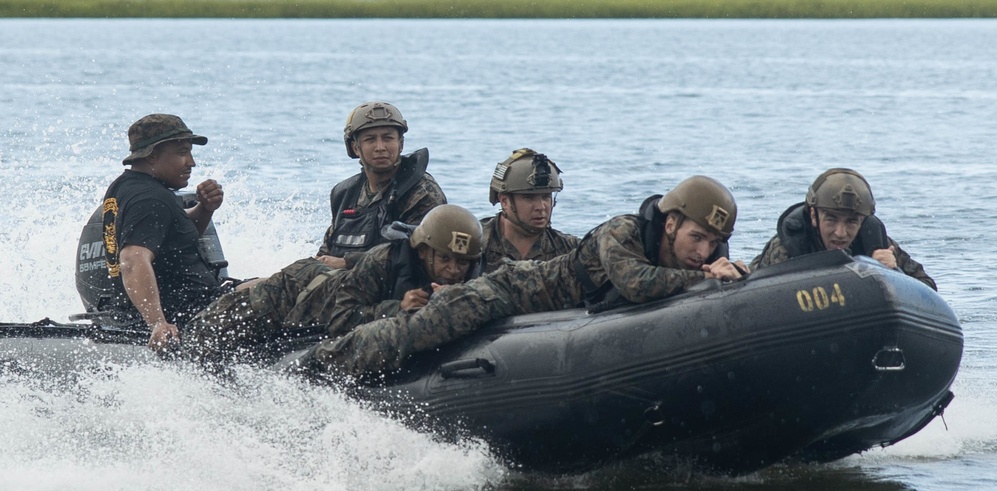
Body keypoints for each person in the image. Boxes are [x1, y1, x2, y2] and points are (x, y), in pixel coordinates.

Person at [289, 175, 746, 381]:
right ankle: (327, 361)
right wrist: (704, 280)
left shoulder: (700, 260)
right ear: (670, 224)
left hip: (564, 316)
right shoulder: (622, 231)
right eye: (697, 238)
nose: (704, 252)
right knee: (427, 325)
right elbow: (636, 285)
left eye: (712, 244)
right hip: (514, 290)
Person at [181, 204, 483, 361]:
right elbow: (342, 317)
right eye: (445, 260)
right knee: (209, 330)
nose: (454, 270)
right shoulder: (384, 261)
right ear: (424, 251)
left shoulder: (469, 271)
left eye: (462, 262)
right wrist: (395, 308)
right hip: (300, 290)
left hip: (324, 291)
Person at [100, 113, 231, 350]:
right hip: (193, 312)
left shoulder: (127, 186)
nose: (191, 162)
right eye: (182, 153)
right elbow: (132, 258)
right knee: (301, 281)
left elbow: (172, 236)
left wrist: (205, 208)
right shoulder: (150, 199)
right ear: (152, 155)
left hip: (186, 305)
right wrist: (158, 324)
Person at [748, 168, 936, 290]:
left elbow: (928, 289)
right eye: (831, 220)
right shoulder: (787, 247)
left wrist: (893, 272)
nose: (840, 233)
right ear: (813, 216)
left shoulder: (878, 245)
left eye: (851, 222)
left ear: (862, 221)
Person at [316, 101, 447, 270]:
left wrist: (347, 263)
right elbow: (326, 251)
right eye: (370, 140)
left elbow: (417, 255)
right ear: (356, 148)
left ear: (401, 144)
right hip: (341, 285)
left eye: (388, 138)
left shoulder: (422, 192)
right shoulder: (345, 194)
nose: (380, 147)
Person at [481, 148, 579, 271]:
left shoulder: (570, 250)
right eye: (529, 198)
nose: (541, 207)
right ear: (504, 201)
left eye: (546, 197)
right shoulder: (476, 243)